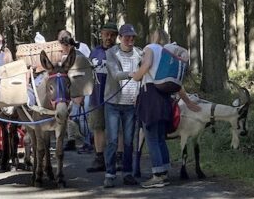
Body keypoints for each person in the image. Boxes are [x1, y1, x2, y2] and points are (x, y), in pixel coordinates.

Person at [132, 33, 200, 188]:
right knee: (160, 138)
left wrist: (136, 76)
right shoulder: (168, 59)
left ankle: (158, 176)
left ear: (155, 37)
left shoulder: (151, 48)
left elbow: (147, 64)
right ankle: (164, 171)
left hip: (150, 98)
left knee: (152, 138)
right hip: (164, 100)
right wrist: (188, 102)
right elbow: (178, 86)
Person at [103, 24, 142, 188]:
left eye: (132, 37)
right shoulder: (111, 53)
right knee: (112, 140)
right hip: (113, 103)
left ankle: (127, 173)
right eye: (127, 37)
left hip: (131, 103)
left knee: (128, 141)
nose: (130, 40)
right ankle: (110, 174)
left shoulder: (140, 53)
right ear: (120, 38)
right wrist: (132, 74)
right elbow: (115, 74)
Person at [86, 22, 124, 173]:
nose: (109, 37)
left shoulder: (120, 52)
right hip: (97, 96)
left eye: (112, 35)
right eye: (106, 34)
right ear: (101, 34)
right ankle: (99, 158)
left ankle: (120, 157)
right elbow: (87, 74)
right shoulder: (94, 53)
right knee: (98, 127)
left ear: (117, 37)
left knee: (118, 128)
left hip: (116, 96)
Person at [56, 30, 92, 151]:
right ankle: (71, 140)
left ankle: (88, 142)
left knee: (83, 117)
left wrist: (81, 93)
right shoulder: (60, 55)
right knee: (70, 117)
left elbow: (85, 72)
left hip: (83, 89)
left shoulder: (81, 50)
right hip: (69, 91)